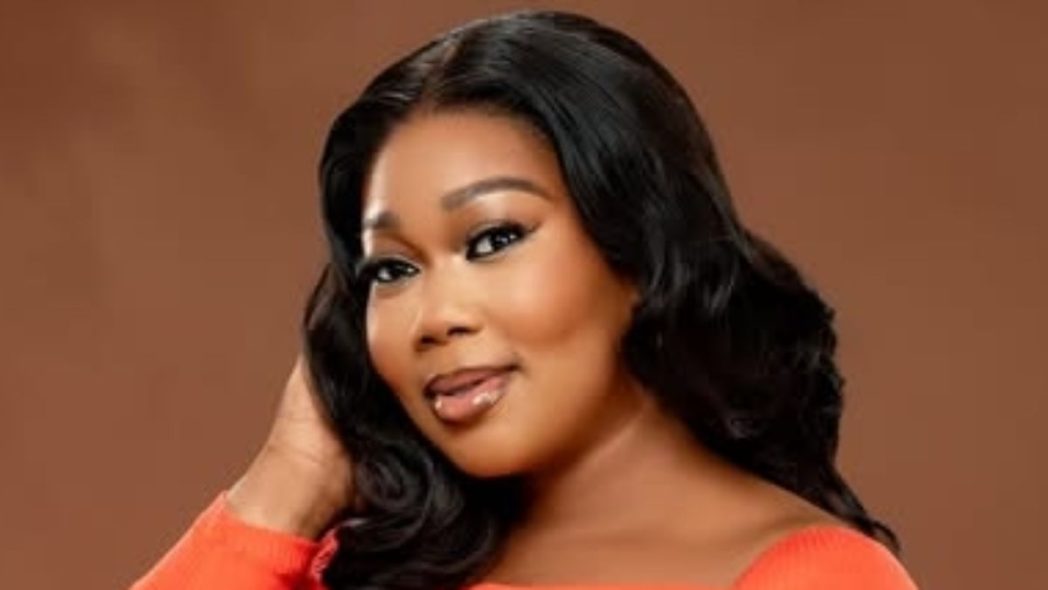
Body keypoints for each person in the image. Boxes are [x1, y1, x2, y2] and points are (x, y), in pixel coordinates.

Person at [131, 10, 917, 590]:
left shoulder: (809, 579)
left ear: (639, 249)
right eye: (391, 270)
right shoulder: (353, 566)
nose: (436, 317)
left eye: (493, 239)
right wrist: (285, 486)